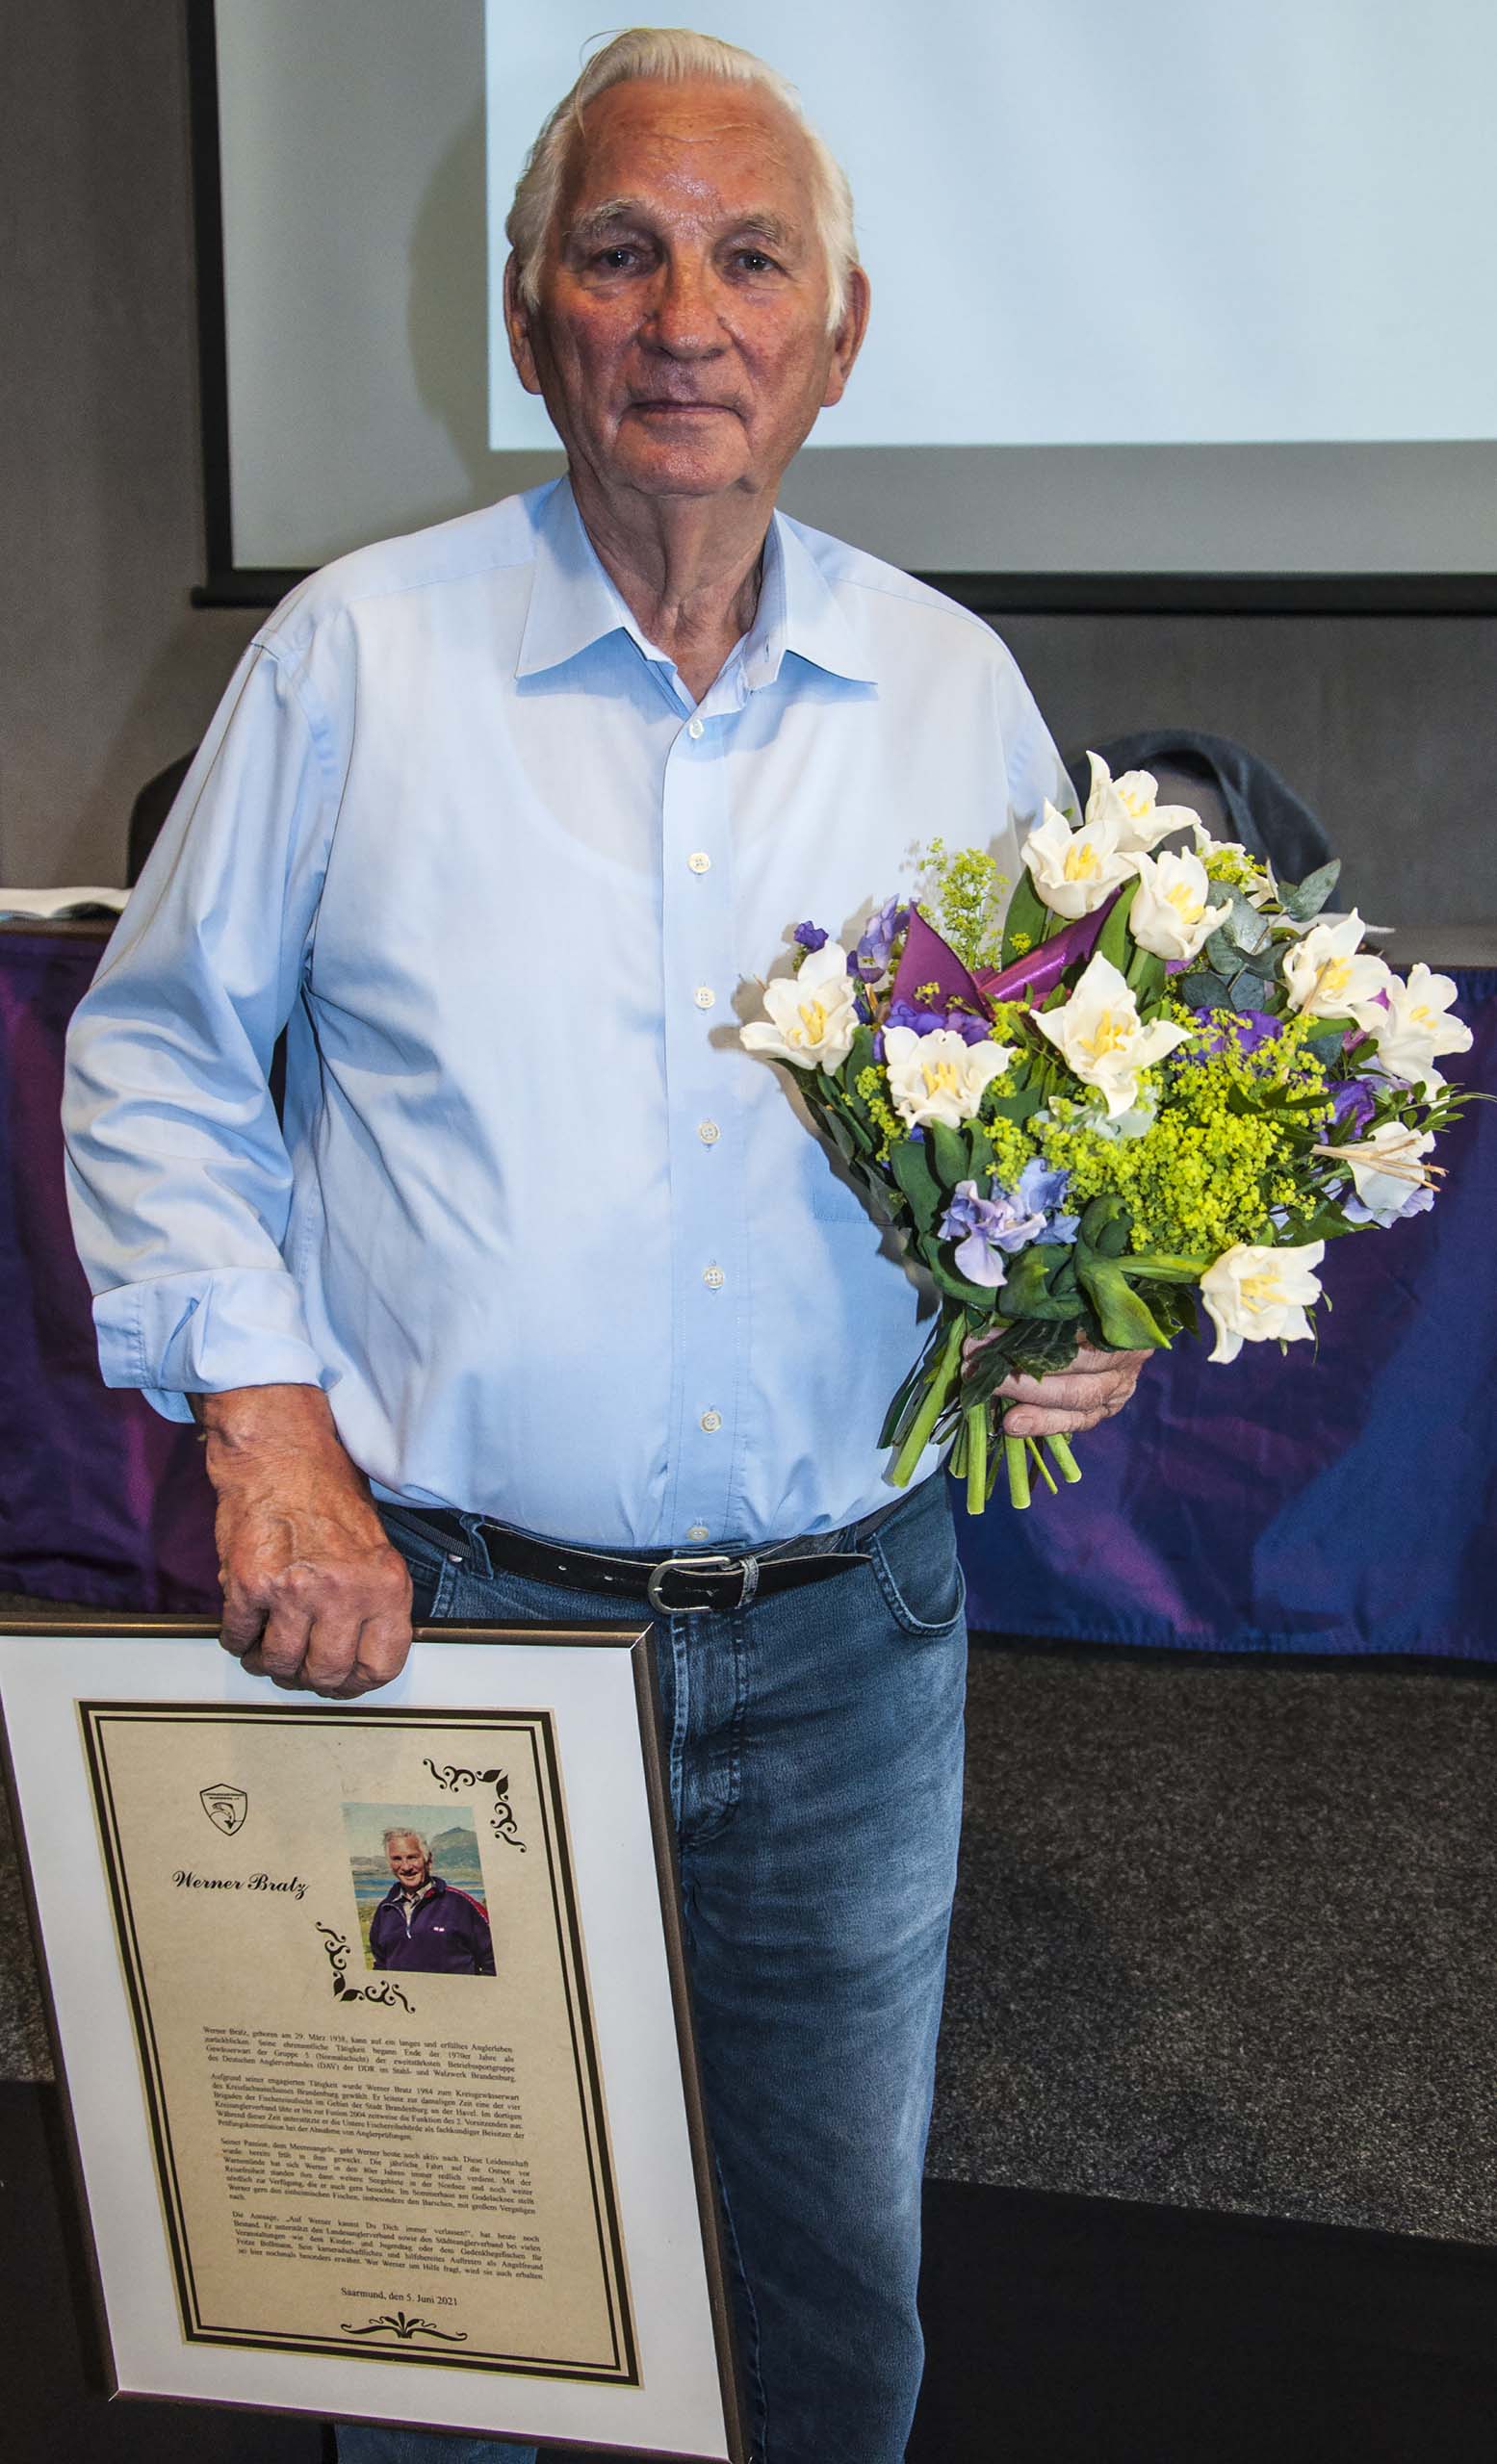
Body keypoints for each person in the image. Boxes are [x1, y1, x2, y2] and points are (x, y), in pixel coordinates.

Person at [63, 29, 1145, 2462]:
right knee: (448, 2312)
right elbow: (156, 1056)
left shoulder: (950, 692)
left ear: (835, 335)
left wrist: (1073, 1302)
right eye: (623, 254)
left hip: (850, 1651)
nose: (686, 319)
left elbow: (1051, 1112)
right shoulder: (356, 657)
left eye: (750, 261)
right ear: (532, 314)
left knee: (825, 2305)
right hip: (449, 1635)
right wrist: (269, 1431)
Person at [368, 1829, 495, 1977]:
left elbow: (495, 1961)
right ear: (390, 1864)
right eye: (397, 1859)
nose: (406, 1867)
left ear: (428, 1861)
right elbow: (381, 1965)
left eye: (412, 1857)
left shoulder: (462, 1904)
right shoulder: (385, 1910)